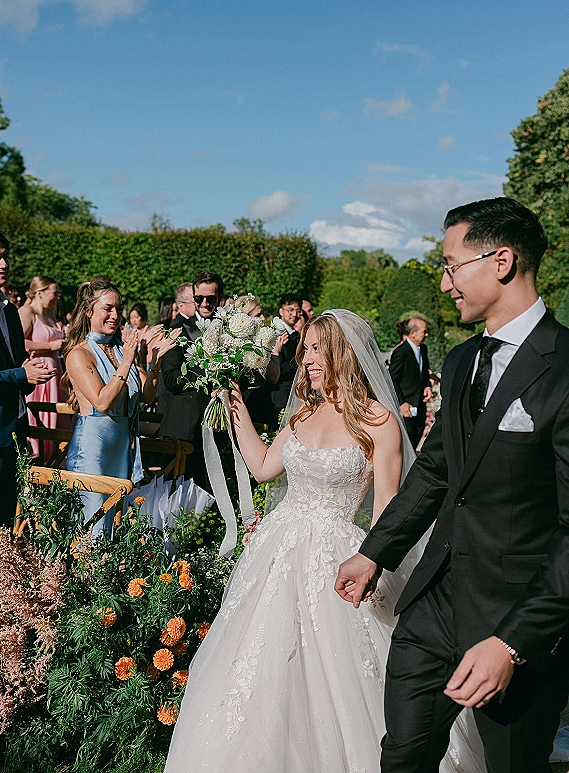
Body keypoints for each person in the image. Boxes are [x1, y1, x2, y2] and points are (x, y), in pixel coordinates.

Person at [163, 310, 486, 773]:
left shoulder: (379, 422)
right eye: (306, 349)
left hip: (338, 559)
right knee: (257, 671)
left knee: (342, 680)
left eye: (317, 349)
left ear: (345, 353)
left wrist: (372, 564)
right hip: (276, 553)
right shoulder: (303, 411)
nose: (307, 358)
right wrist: (233, 402)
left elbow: (388, 511)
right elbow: (262, 466)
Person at [336, 197, 569, 773]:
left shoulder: (565, 367)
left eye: (450, 265)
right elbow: (438, 472)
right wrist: (374, 552)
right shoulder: (463, 360)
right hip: (433, 602)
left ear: (502, 261)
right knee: (403, 756)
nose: (444, 285)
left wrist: (511, 642)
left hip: (517, 615)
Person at [63, 277, 175, 533]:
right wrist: (126, 362)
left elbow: (146, 396)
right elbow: (102, 402)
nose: (115, 315)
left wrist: (154, 362)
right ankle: (84, 573)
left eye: (119, 308)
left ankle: (107, 572)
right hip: (94, 448)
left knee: (113, 521)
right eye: (108, 308)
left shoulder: (118, 348)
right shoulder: (79, 354)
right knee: (90, 523)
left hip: (122, 446)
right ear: (89, 311)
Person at [0, 230, 54, 525]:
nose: (3, 265)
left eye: (5, 257)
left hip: (16, 429)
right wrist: (20, 373)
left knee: (5, 516)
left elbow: (17, 370)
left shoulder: (11, 313)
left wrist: (32, 373)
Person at [159, 271, 224, 488]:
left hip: (218, 424)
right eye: (199, 298)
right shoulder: (178, 330)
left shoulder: (229, 331)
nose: (205, 303)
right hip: (186, 425)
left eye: (211, 299)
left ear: (220, 298)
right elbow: (169, 377)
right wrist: (206, 379)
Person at [19, 275, 68, 460]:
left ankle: (53, 465)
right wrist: (51, 346)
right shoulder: (26, 312)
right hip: (38, 374)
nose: (57, 297)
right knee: (40, 421)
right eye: (54, 293)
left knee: (57, 422)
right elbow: (20, 343)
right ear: (40, 292)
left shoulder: (49, 314)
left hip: (55, 373)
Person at [234, 294, 281, 425]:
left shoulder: (260, 340)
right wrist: (276, 352)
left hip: (263, 402)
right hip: (245, 405)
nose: (263, 318)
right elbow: (273, 377)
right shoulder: (232, 344)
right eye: (258, 315)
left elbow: (272, 376)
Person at [388, 316, 433, 449]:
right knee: (407, 440)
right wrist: (401, 403)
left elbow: (424, 372)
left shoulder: (423, 349)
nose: (426, 334)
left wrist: (427, 386)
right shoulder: (401, 352)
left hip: (420, 403)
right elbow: (392, 379)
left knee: (418, 435)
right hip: (406, 405)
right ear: (412, 333)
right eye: (424, 331)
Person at [270, 293, 302, 425]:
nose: (294, 314)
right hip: (281, 396)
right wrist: (301, 360)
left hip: (296, 394)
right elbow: (280, 368)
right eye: (290, 310)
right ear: (281, 311)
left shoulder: (296, 335)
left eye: (298, 311)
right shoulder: (276, 335)